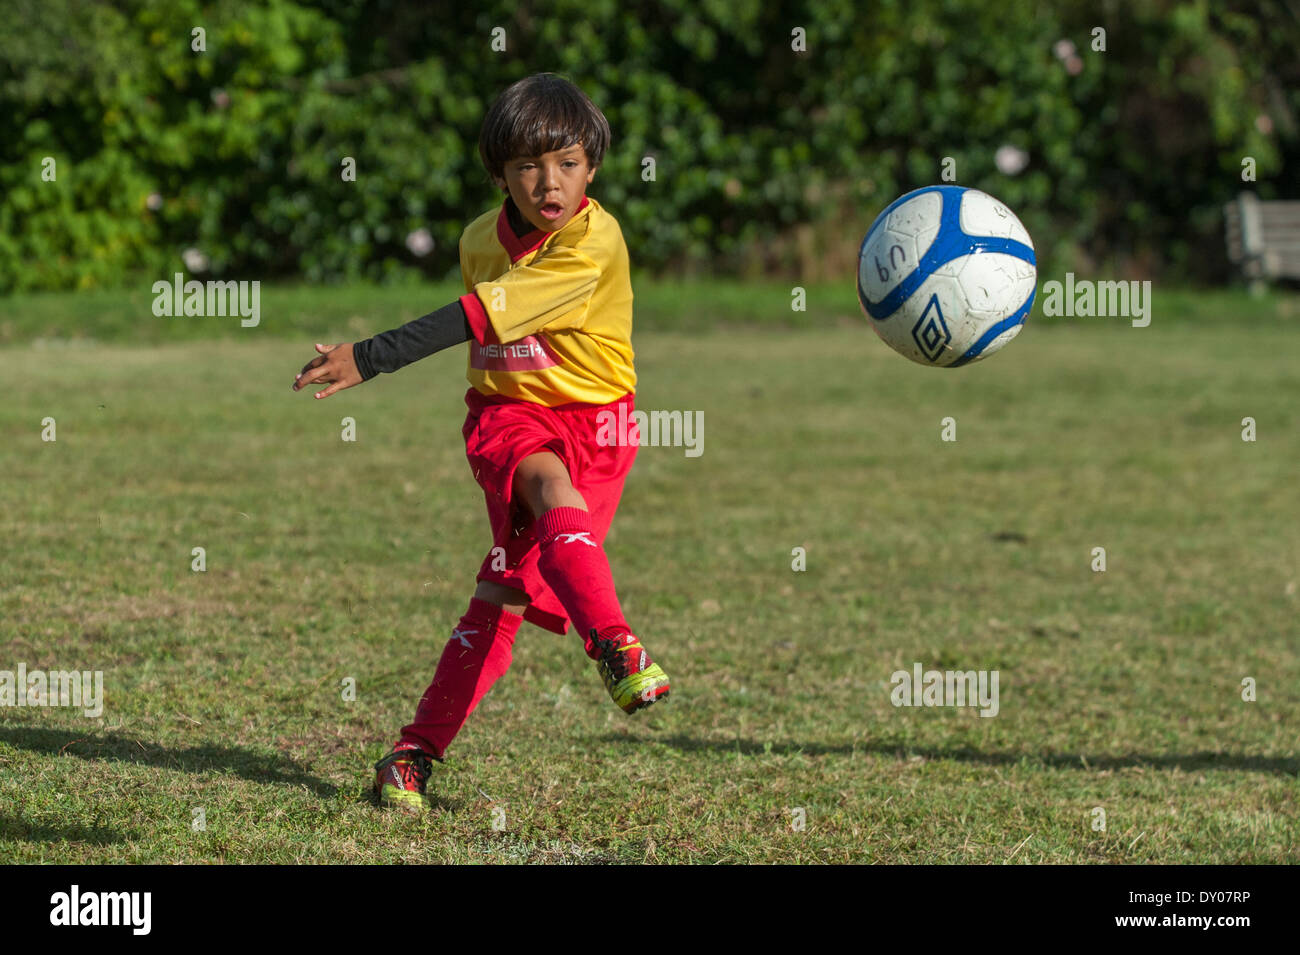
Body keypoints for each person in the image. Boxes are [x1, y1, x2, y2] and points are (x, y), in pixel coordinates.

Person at [290, 73, 669, 811]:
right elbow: (481, 323)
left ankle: (410, 754)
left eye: (566, 162)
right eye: (527, 165)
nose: (547, 182)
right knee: (547, 492)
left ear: (593, 165)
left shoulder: (592, 243)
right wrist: (369, 358)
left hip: (601, 429)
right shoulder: (477, 241)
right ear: (499, 172)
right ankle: (616, 644)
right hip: (509, 419)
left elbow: (473, 315)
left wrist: (369, 355)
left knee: (497, 596)